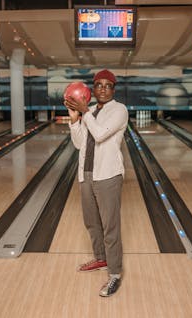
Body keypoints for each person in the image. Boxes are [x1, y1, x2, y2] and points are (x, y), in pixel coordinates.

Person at [64, 69, 128, 297]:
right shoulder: (89, 111)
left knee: (110, 226)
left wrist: (84, 113)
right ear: (92, 89)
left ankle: (114, 274)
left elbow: (100, 134)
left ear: (113, 89)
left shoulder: (119, 110)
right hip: (87, 174)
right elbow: (80, 143)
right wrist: (74, 120)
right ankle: (101, 258)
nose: (102, 88)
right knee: (91, 222)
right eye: (98, 85)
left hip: (108, 175)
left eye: (107, 85)